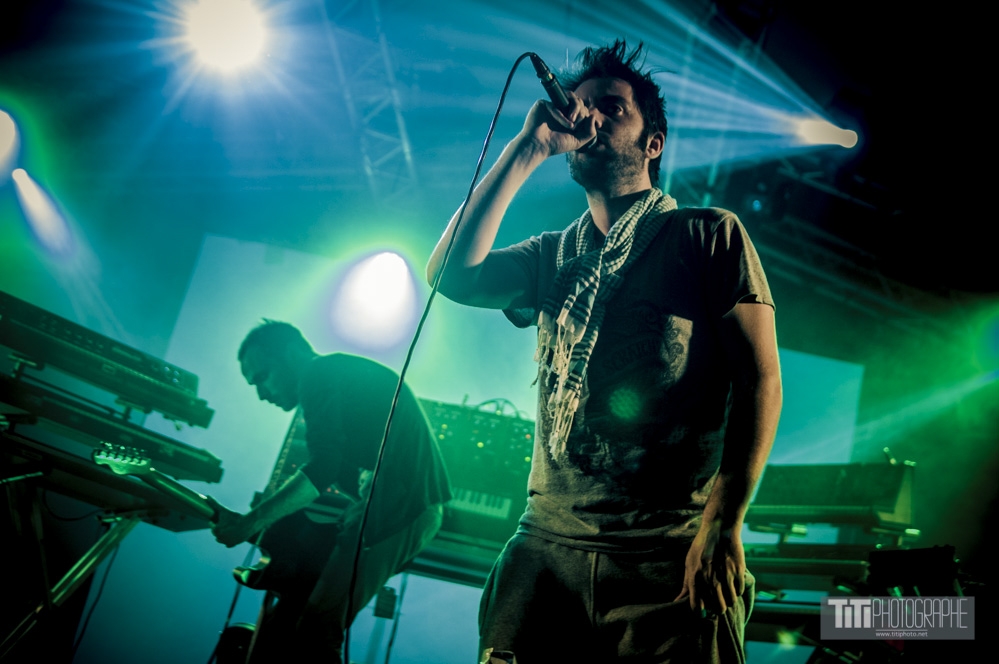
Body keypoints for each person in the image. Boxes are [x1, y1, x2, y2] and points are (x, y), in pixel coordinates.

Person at [427, 41, 782, 663]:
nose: (587, 115)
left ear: (653, 143)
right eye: (580, 104)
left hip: (667, 556)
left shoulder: (706, 235)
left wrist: (724, 524)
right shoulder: (551, 255)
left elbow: (761, 381)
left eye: (612, 107)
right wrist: (529, 148)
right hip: (545, 549)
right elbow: (451, 275)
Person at [209, 320, 451, 663]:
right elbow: (335, 468)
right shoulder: (337, 377)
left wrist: (250, 522)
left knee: (317, 631)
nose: (261, 394)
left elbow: (322, 467)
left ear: (291, 354)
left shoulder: (318, 373)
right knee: (290, 627)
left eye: (262, 377)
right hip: (401, 507)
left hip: (401, 508)